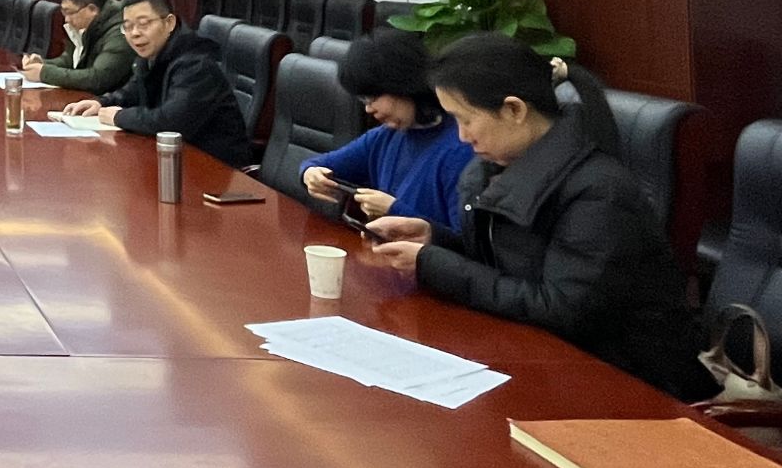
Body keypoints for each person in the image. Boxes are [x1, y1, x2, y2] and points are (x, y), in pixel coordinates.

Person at [367, 33, 712, 400]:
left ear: (514, 110)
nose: (462, 136)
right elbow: (508, 264)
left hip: (627, 382)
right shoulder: (493, 168)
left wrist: (433, 264)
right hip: (541, 359)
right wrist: (434, 239)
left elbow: (561, 308)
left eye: (466, 120)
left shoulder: (598, 191)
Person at [298, 29, 475, 228]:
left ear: (402, 85)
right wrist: (310, 173)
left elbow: (462, 240)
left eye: (373, 98)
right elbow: (319, 163)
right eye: (364, 100)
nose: (368, 109)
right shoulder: (386, 136)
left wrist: (393, 209)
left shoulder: (460, 148)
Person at [62, 0, 250, 167]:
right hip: (178, 159)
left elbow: (171, 123)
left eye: (144, 24)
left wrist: (119, 117)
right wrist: (101, 103)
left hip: (216, 168)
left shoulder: (195, 64)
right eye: (127, 26)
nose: (135, 33)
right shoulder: (152, 55)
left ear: (169, 23)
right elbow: (132, 92)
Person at [21, 0, 132, 95]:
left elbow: (98, 79)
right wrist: (42, 64)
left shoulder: (119, 31)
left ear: (92, 9)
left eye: (70, 12)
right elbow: (71, 61)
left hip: (114, 101)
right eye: (64, 12)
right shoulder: (85, 26)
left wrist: (45, 73)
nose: (67, 19)